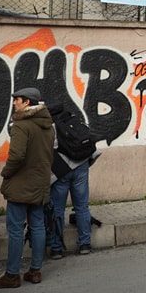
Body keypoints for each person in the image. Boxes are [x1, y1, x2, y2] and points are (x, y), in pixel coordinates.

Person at [0, 88, 54, 289]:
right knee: (38, 226)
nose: (14, 103)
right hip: (40, 182)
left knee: (16, 229)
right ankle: (35, 271)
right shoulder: (48, 125)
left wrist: (6, 173)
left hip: (21, 184)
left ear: (26, 102)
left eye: (17, 100)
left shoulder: (21, 125)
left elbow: (16, 156)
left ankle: (12, 274)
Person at [46, 100, 98, 259]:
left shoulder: (51, 127)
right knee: (82, 206)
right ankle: (85, 244)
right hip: (81, 167)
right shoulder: (73, 120)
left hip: (62, 171)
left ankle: (56, 248)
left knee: (58, 209)